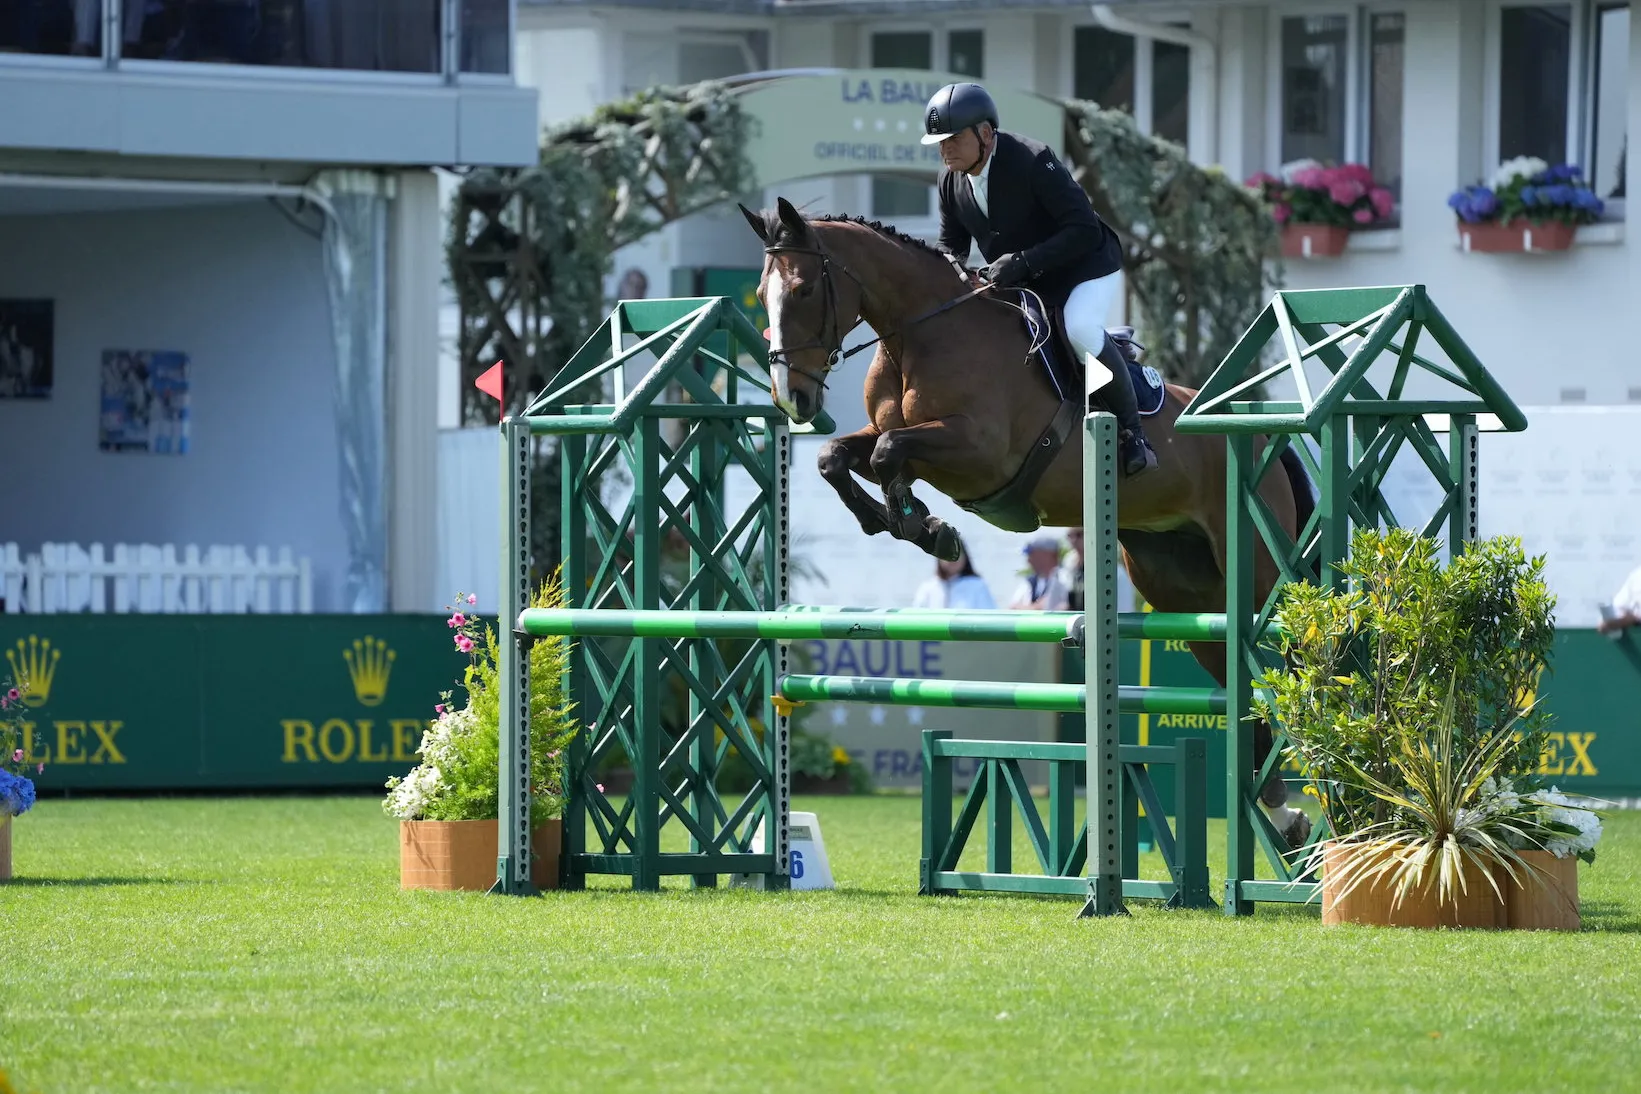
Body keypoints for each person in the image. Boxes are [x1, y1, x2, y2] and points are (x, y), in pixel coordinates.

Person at [921, 82, 1157, 477]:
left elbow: (1083, 228)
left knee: (1079, 328)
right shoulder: (950, 181)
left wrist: (1025, 261)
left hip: (1085, 268)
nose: (945, 149)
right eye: (939, 142)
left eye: (953, 138)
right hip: (1025, 279)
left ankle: (1135, 435)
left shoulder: (1033, 160)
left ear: (985, 133)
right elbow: (952, 246)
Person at [911, 547, 997, 610]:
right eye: (947, 554)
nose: (952, 559)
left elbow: (989, 618)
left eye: (957, 553)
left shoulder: (977, 585)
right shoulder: (928, 587)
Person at [1009, 535, 1071, 611]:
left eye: (1032, 554)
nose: (1029, 560)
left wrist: (1030, 607)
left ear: (1047, 555)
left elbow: (1050, 605)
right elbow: (1012, 607)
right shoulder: (1031, 581)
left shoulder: (1065, 577)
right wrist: (1035, 607)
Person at [1596, 562, 1641, 635]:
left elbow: (1635, 618)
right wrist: (1608, 622)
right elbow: (1618, 607)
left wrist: (1635, 619)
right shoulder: (1637, 576)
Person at [1061, 527, 1086, 612]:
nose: (1074, 540)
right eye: (1070, 536)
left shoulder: (1110, 566)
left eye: (1079, 535)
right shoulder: (1069, 562)